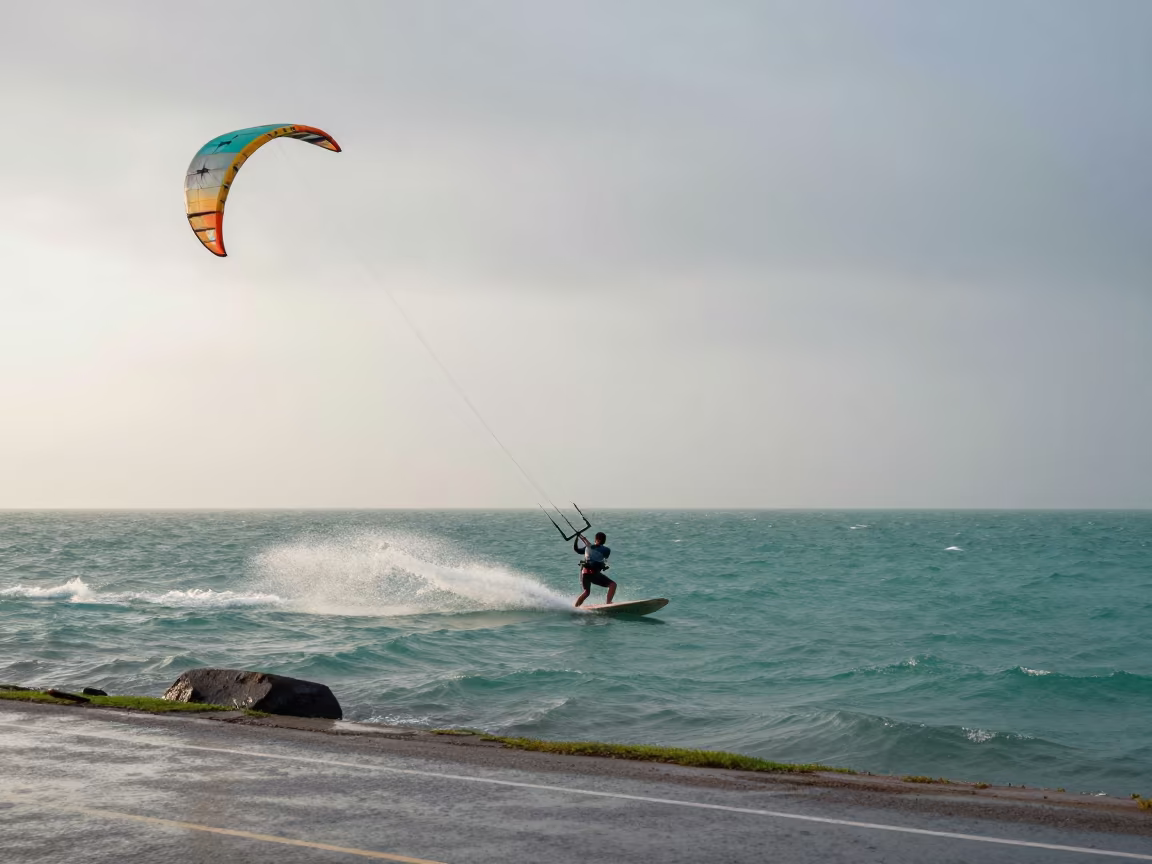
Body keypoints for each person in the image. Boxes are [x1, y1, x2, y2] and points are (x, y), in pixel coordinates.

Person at [573, 531, 615, 607]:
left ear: (596, 539)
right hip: (593, 573)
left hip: (584, 573)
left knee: (586, 592)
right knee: (613, 585)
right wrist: (584, 540)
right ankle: (609, 603)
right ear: (604, 541)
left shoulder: (588, 547)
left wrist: (577, 538)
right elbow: (601, 553)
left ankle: (575, 607)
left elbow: (577, 550)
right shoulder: (606, 550)